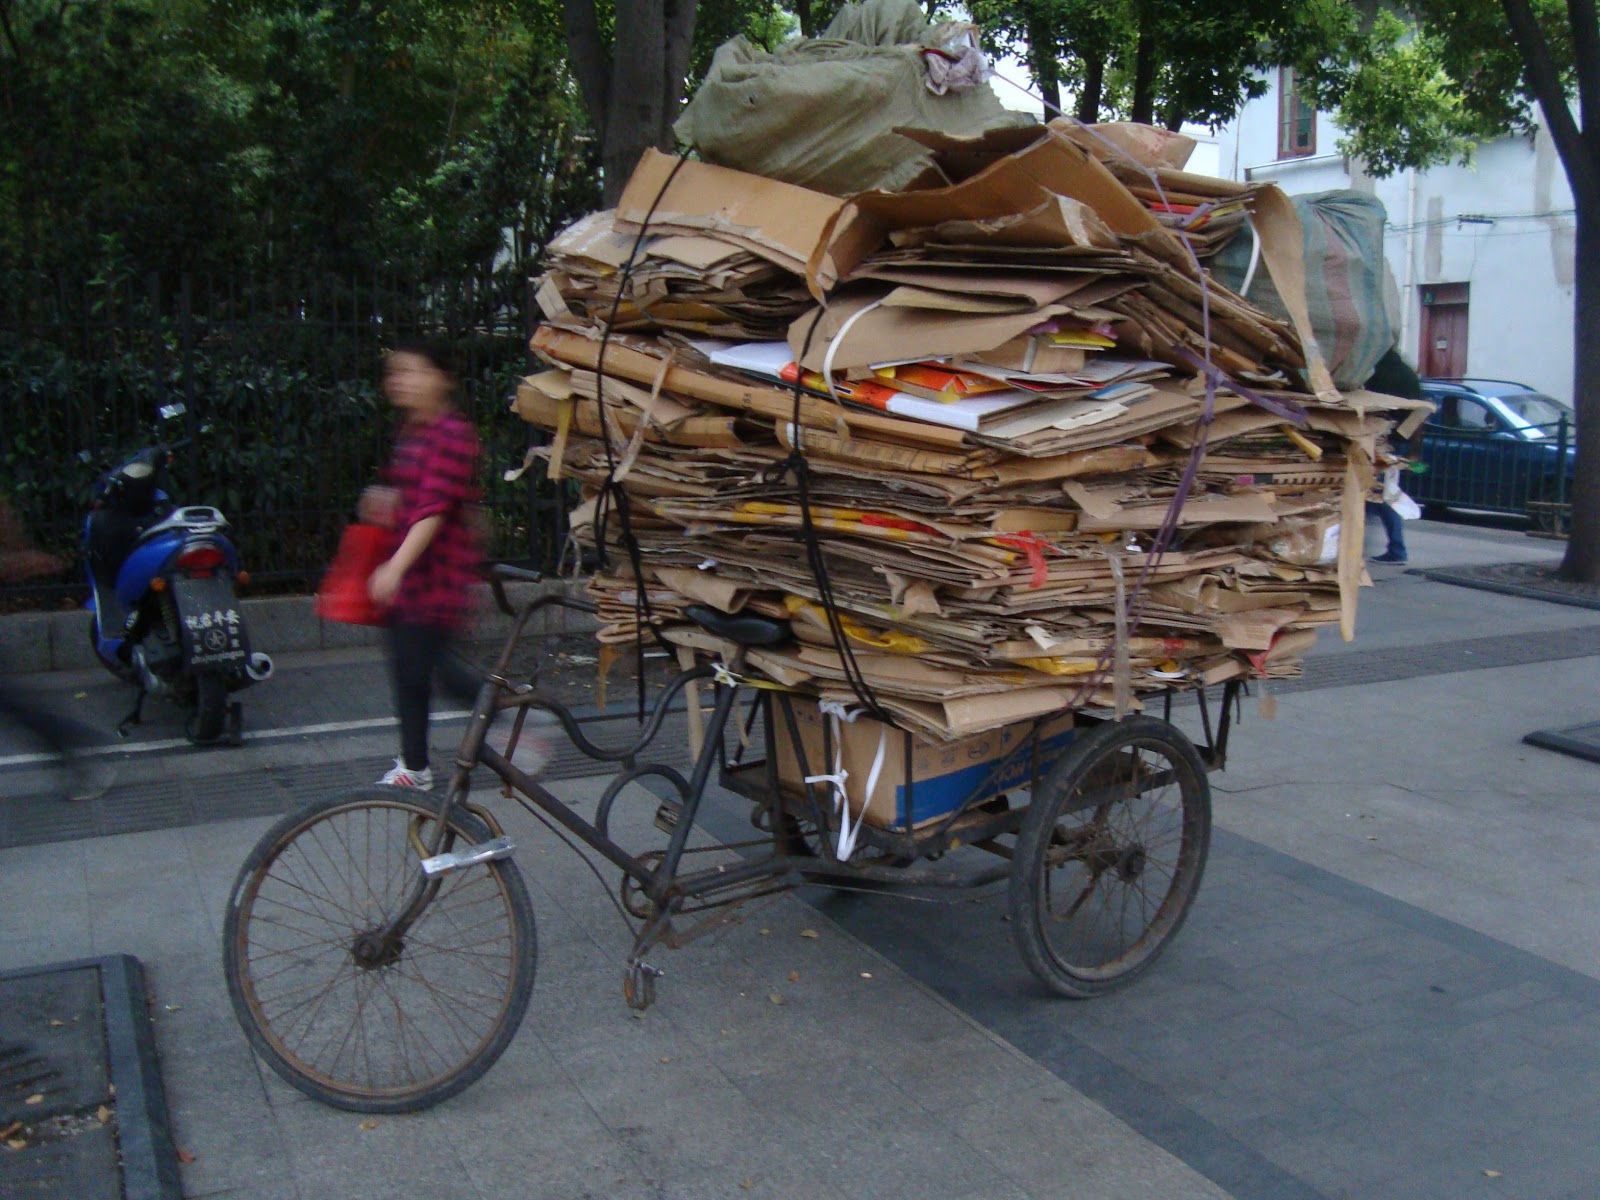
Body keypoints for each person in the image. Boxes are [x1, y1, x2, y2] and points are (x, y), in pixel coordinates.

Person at [364, 339, 485, 790]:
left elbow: (434, 507)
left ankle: (511, 723)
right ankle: (414, 765)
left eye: (413, 370)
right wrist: (387, 499)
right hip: (413, 579)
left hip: (436, 579)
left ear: (443, 378)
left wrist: (395, 567)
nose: (401, 381)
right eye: (396, 371)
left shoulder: (452, 434)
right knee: (412, 671)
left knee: (432, 673)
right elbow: (416, 497)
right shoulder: (413, 433)